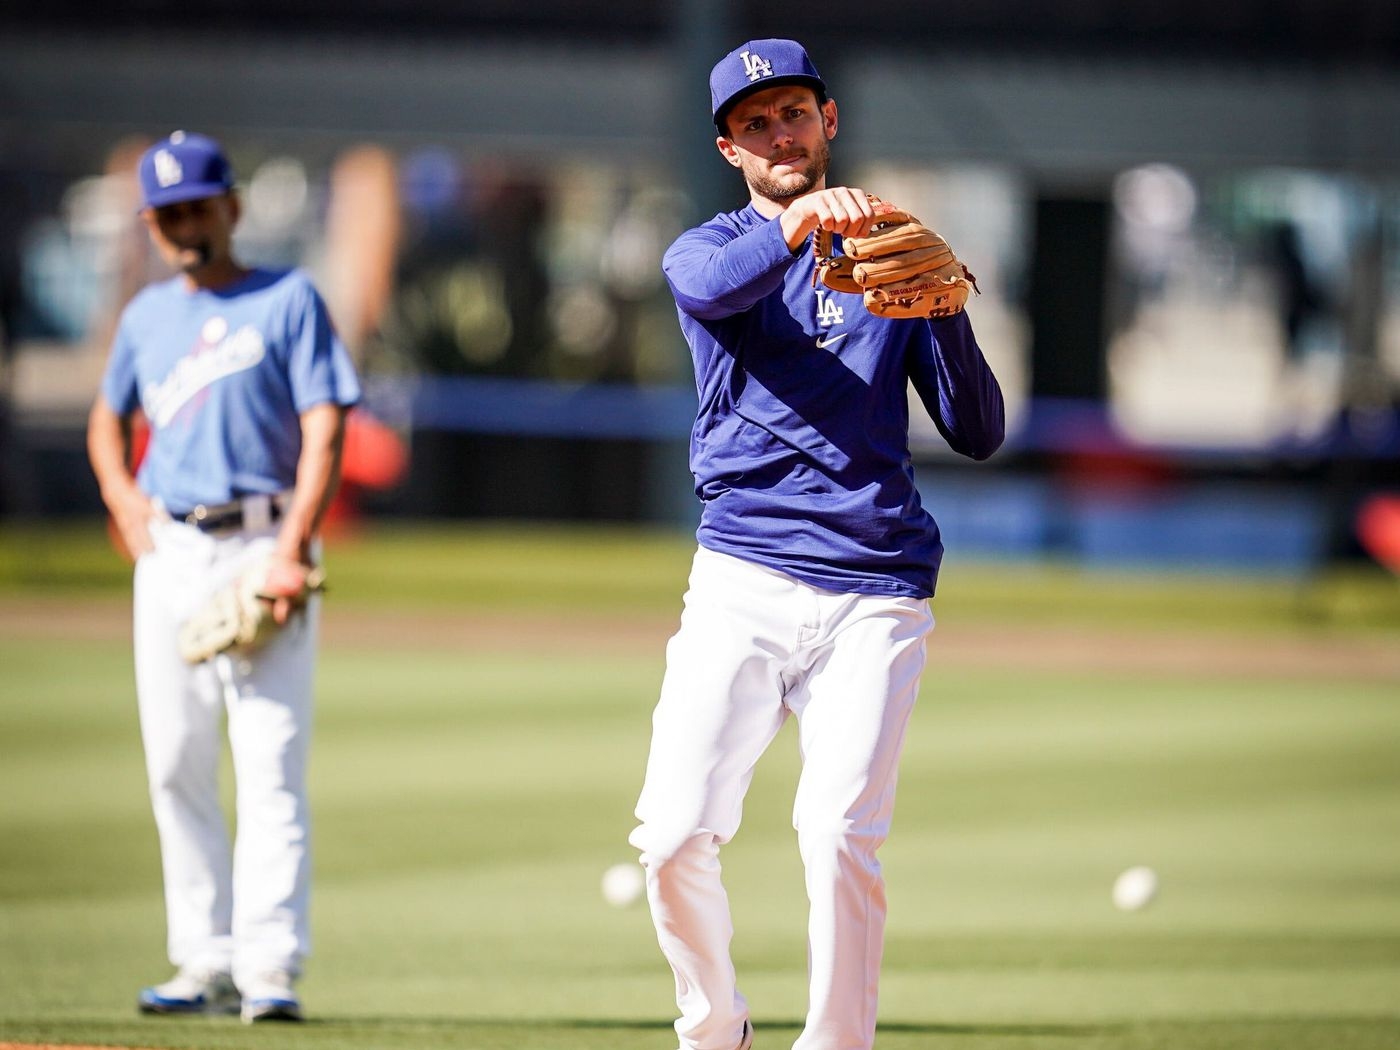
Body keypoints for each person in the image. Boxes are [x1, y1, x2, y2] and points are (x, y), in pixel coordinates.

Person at [628, 39, 1005, 1050]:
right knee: (669, 838)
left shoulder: (892, 255)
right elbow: (717, 294)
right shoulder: (705, 251)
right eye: (755, 123)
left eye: (793, 111)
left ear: (827, 121)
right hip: (740, 576)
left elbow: (976, 431)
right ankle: (713, 1025)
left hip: (873, 584)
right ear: (728, 148)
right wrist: (797, 224)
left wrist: (949, 313)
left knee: (837, 833)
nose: (778, 133)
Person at [86, 130, 361, 1024]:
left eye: (197, 207)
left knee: (270, 760)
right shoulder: (145, 317)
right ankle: (202, 957)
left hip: (260, 542)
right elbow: (105, 418)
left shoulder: (286, 298)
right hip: (172, 548)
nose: (183, 226)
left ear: (232, 208)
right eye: (167, 215)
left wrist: (292, 544)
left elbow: (325, 427)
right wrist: (123, 500)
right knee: (175, 761)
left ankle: (270, 967)